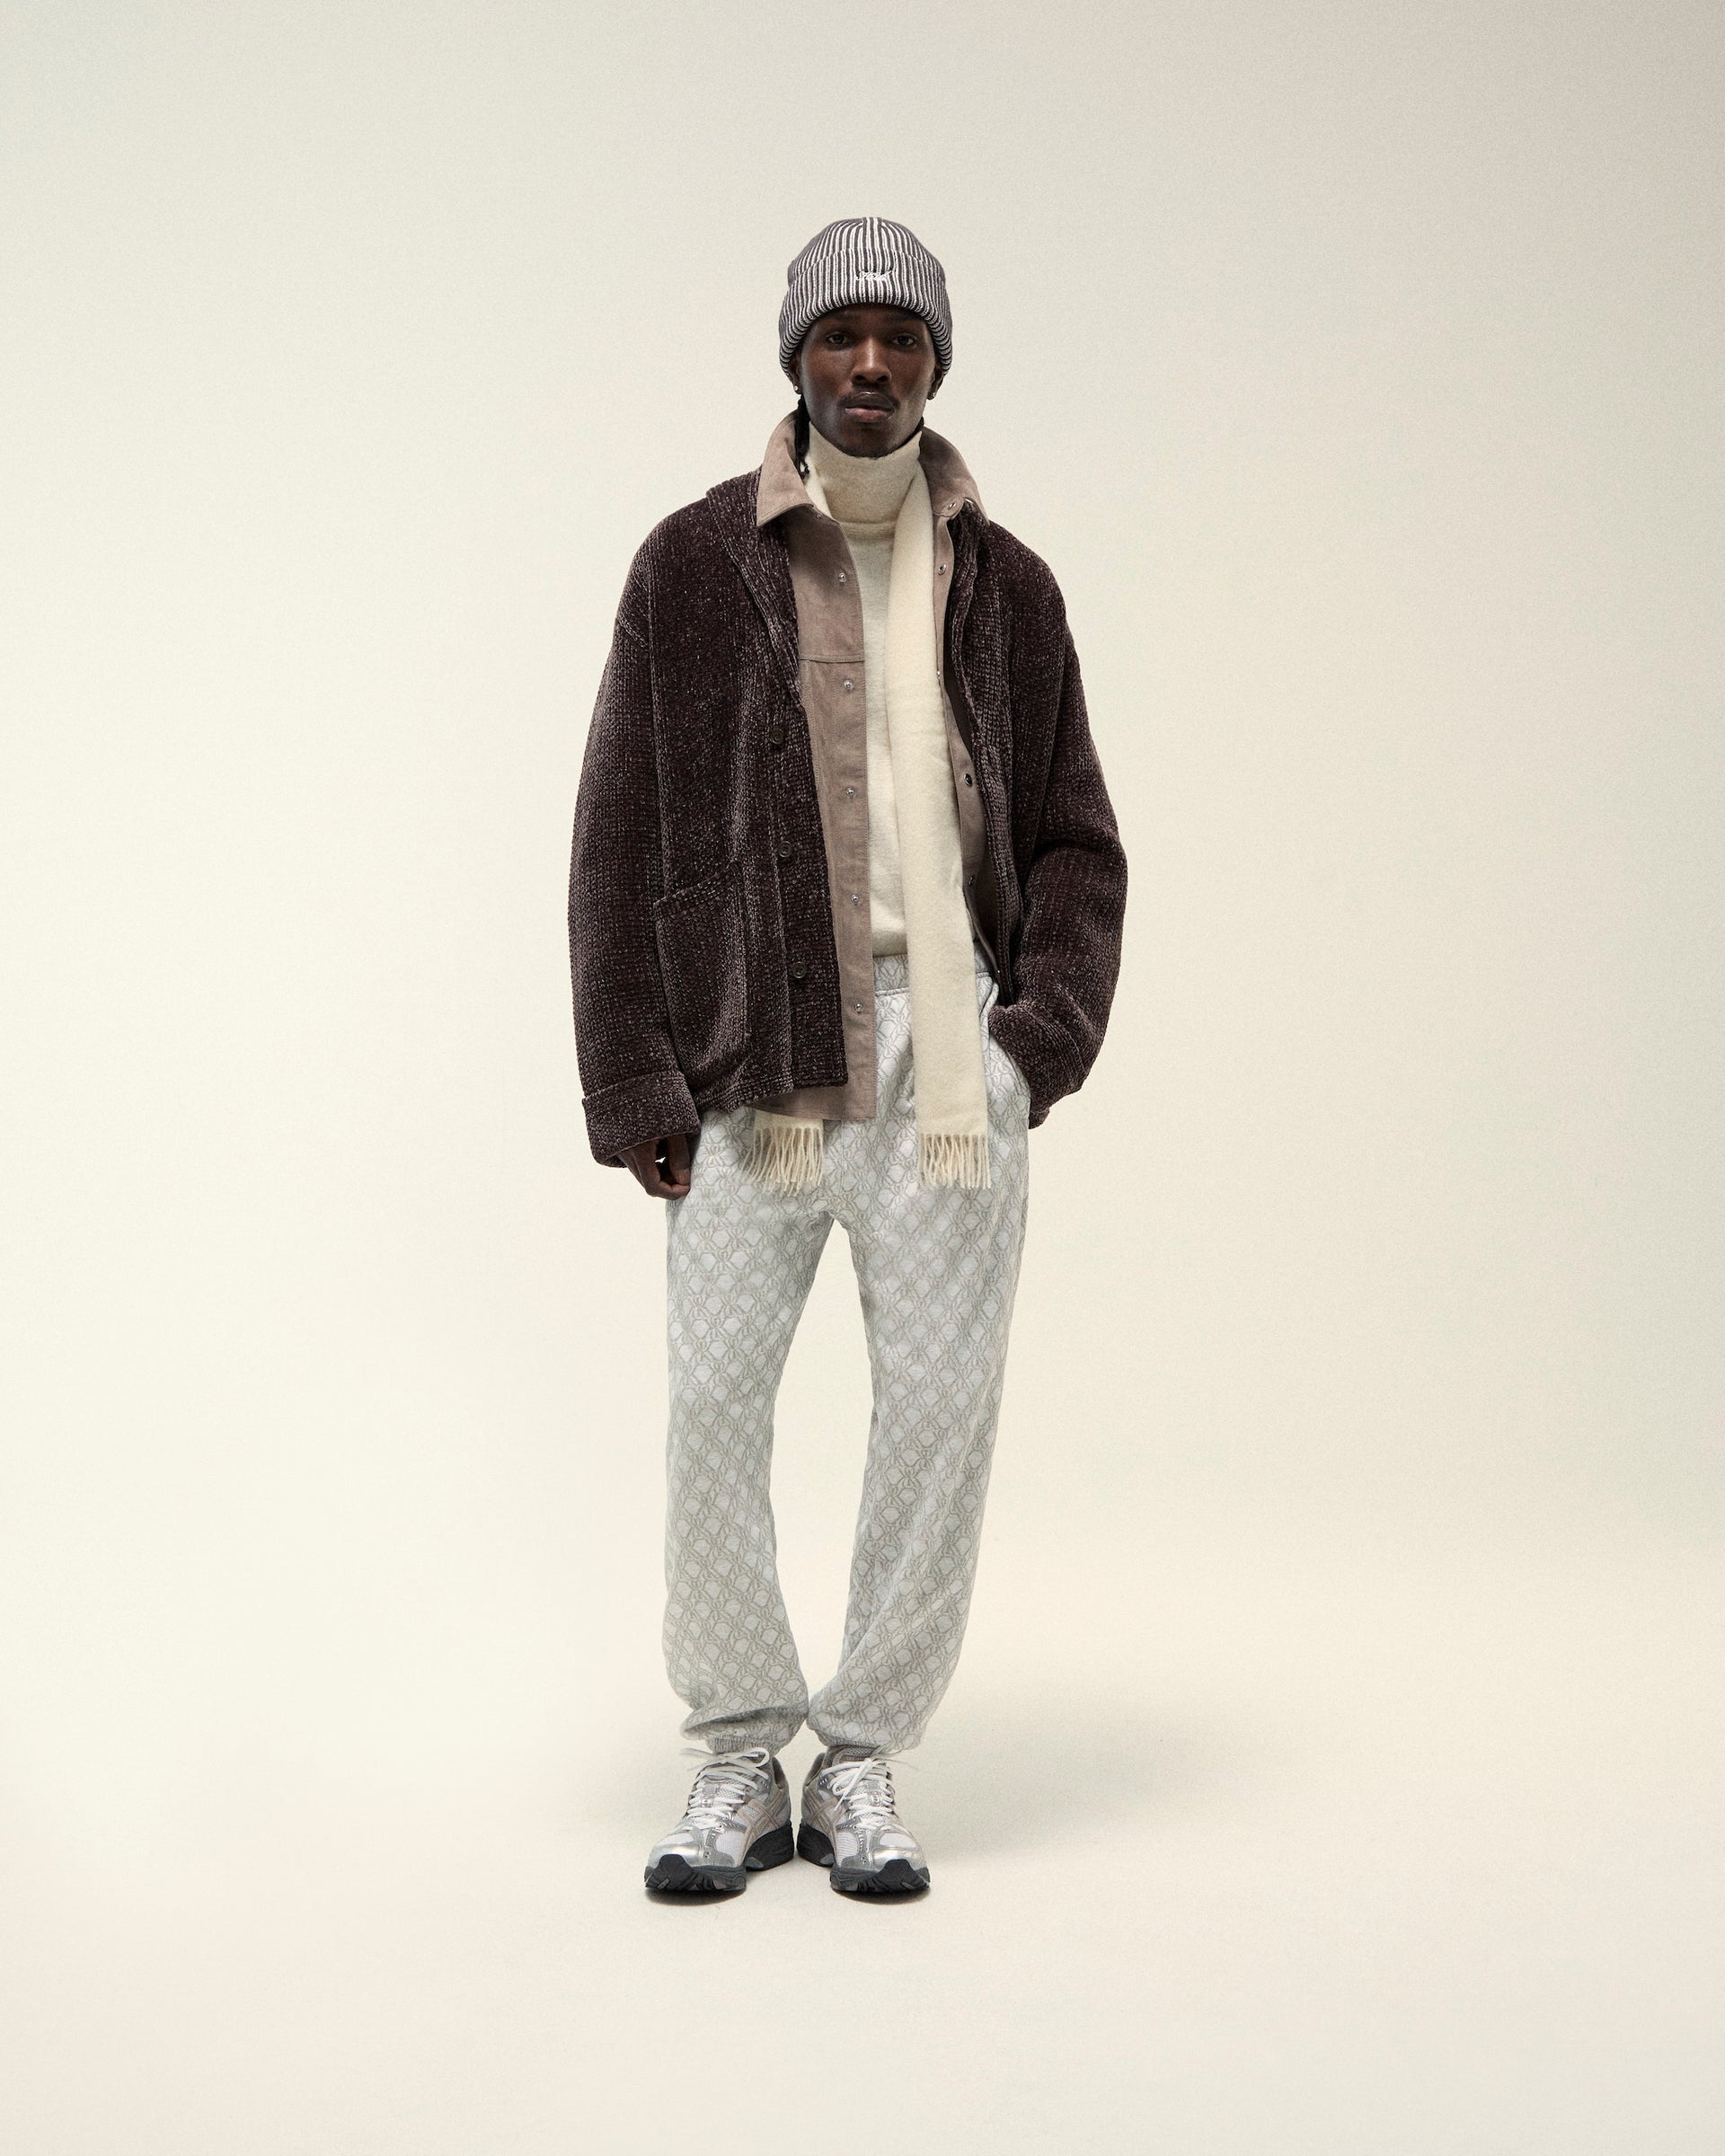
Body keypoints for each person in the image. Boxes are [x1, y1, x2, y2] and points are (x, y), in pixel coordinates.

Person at [569, 217, 1127, 1898]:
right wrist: (634, 1075)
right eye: (840, 335)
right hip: (751, 1056)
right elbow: (615, 831)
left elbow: (1077, 842)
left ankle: (865, 1756)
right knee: (714, 1406)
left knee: (941, 1414)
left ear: (936, 362)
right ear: (797, 358)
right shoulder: (692, 564)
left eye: (900, 337)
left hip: (947, 1061)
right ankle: (742, 1751)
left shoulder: (1009, 588)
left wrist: (1032, 1046)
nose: (869, 363)